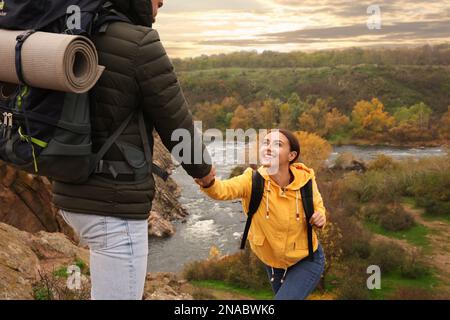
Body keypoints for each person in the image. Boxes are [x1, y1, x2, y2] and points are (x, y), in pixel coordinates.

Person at [53, 0, 215, 300]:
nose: (162, 2)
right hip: (113, 204)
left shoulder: (70, 31)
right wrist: (204, 173)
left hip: (70, 192)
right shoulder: (141, 43)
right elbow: (176, 124)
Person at [195, 129, 327, 300]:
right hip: (272, 264)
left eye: (278, 144)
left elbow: (319, 208)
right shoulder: (252, 181)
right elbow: (222, 190)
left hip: (307, 258)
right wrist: (208, 182)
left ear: (291, 155)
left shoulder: (306, 180)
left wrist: (320, 218)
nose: (268, 148)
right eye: (265, 143)